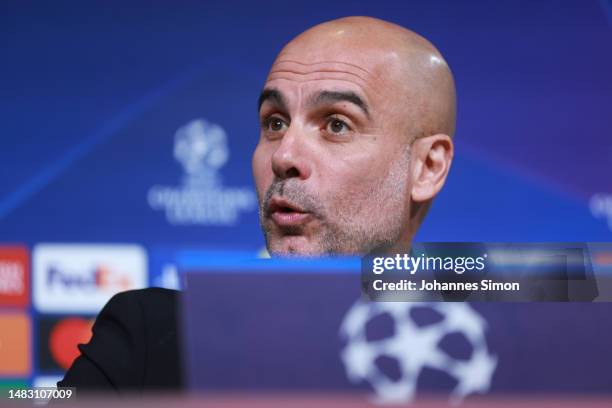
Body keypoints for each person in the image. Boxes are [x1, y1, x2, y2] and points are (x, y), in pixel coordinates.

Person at [58, 16, 456, 393]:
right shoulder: (152, 339)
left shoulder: (491, 354)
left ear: (427, 167)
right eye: (275, 122)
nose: (283, 156)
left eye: (336, 124)